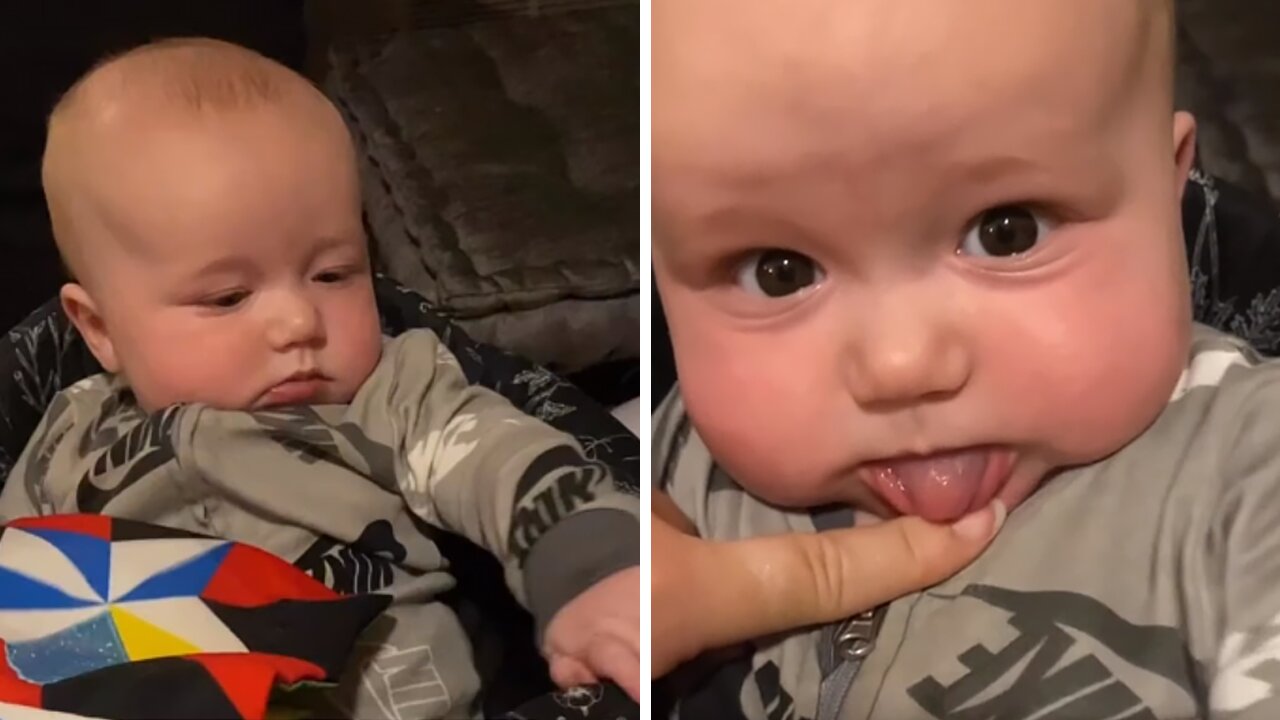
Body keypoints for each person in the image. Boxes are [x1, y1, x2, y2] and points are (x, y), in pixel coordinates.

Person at [653, 0, 1280, 717]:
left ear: (1169, 190)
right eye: (779, 272)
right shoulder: (673, 466)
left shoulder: (1250, 481)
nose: (901, 365)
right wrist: (581, 558)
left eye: (1007, 233)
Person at [0, 38, 638, 717]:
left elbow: (500, 459)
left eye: (333, 274)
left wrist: (590, 565)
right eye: (227, 298)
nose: (298, 321)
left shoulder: (389, 394)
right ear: (99, 330)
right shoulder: (67, 437)